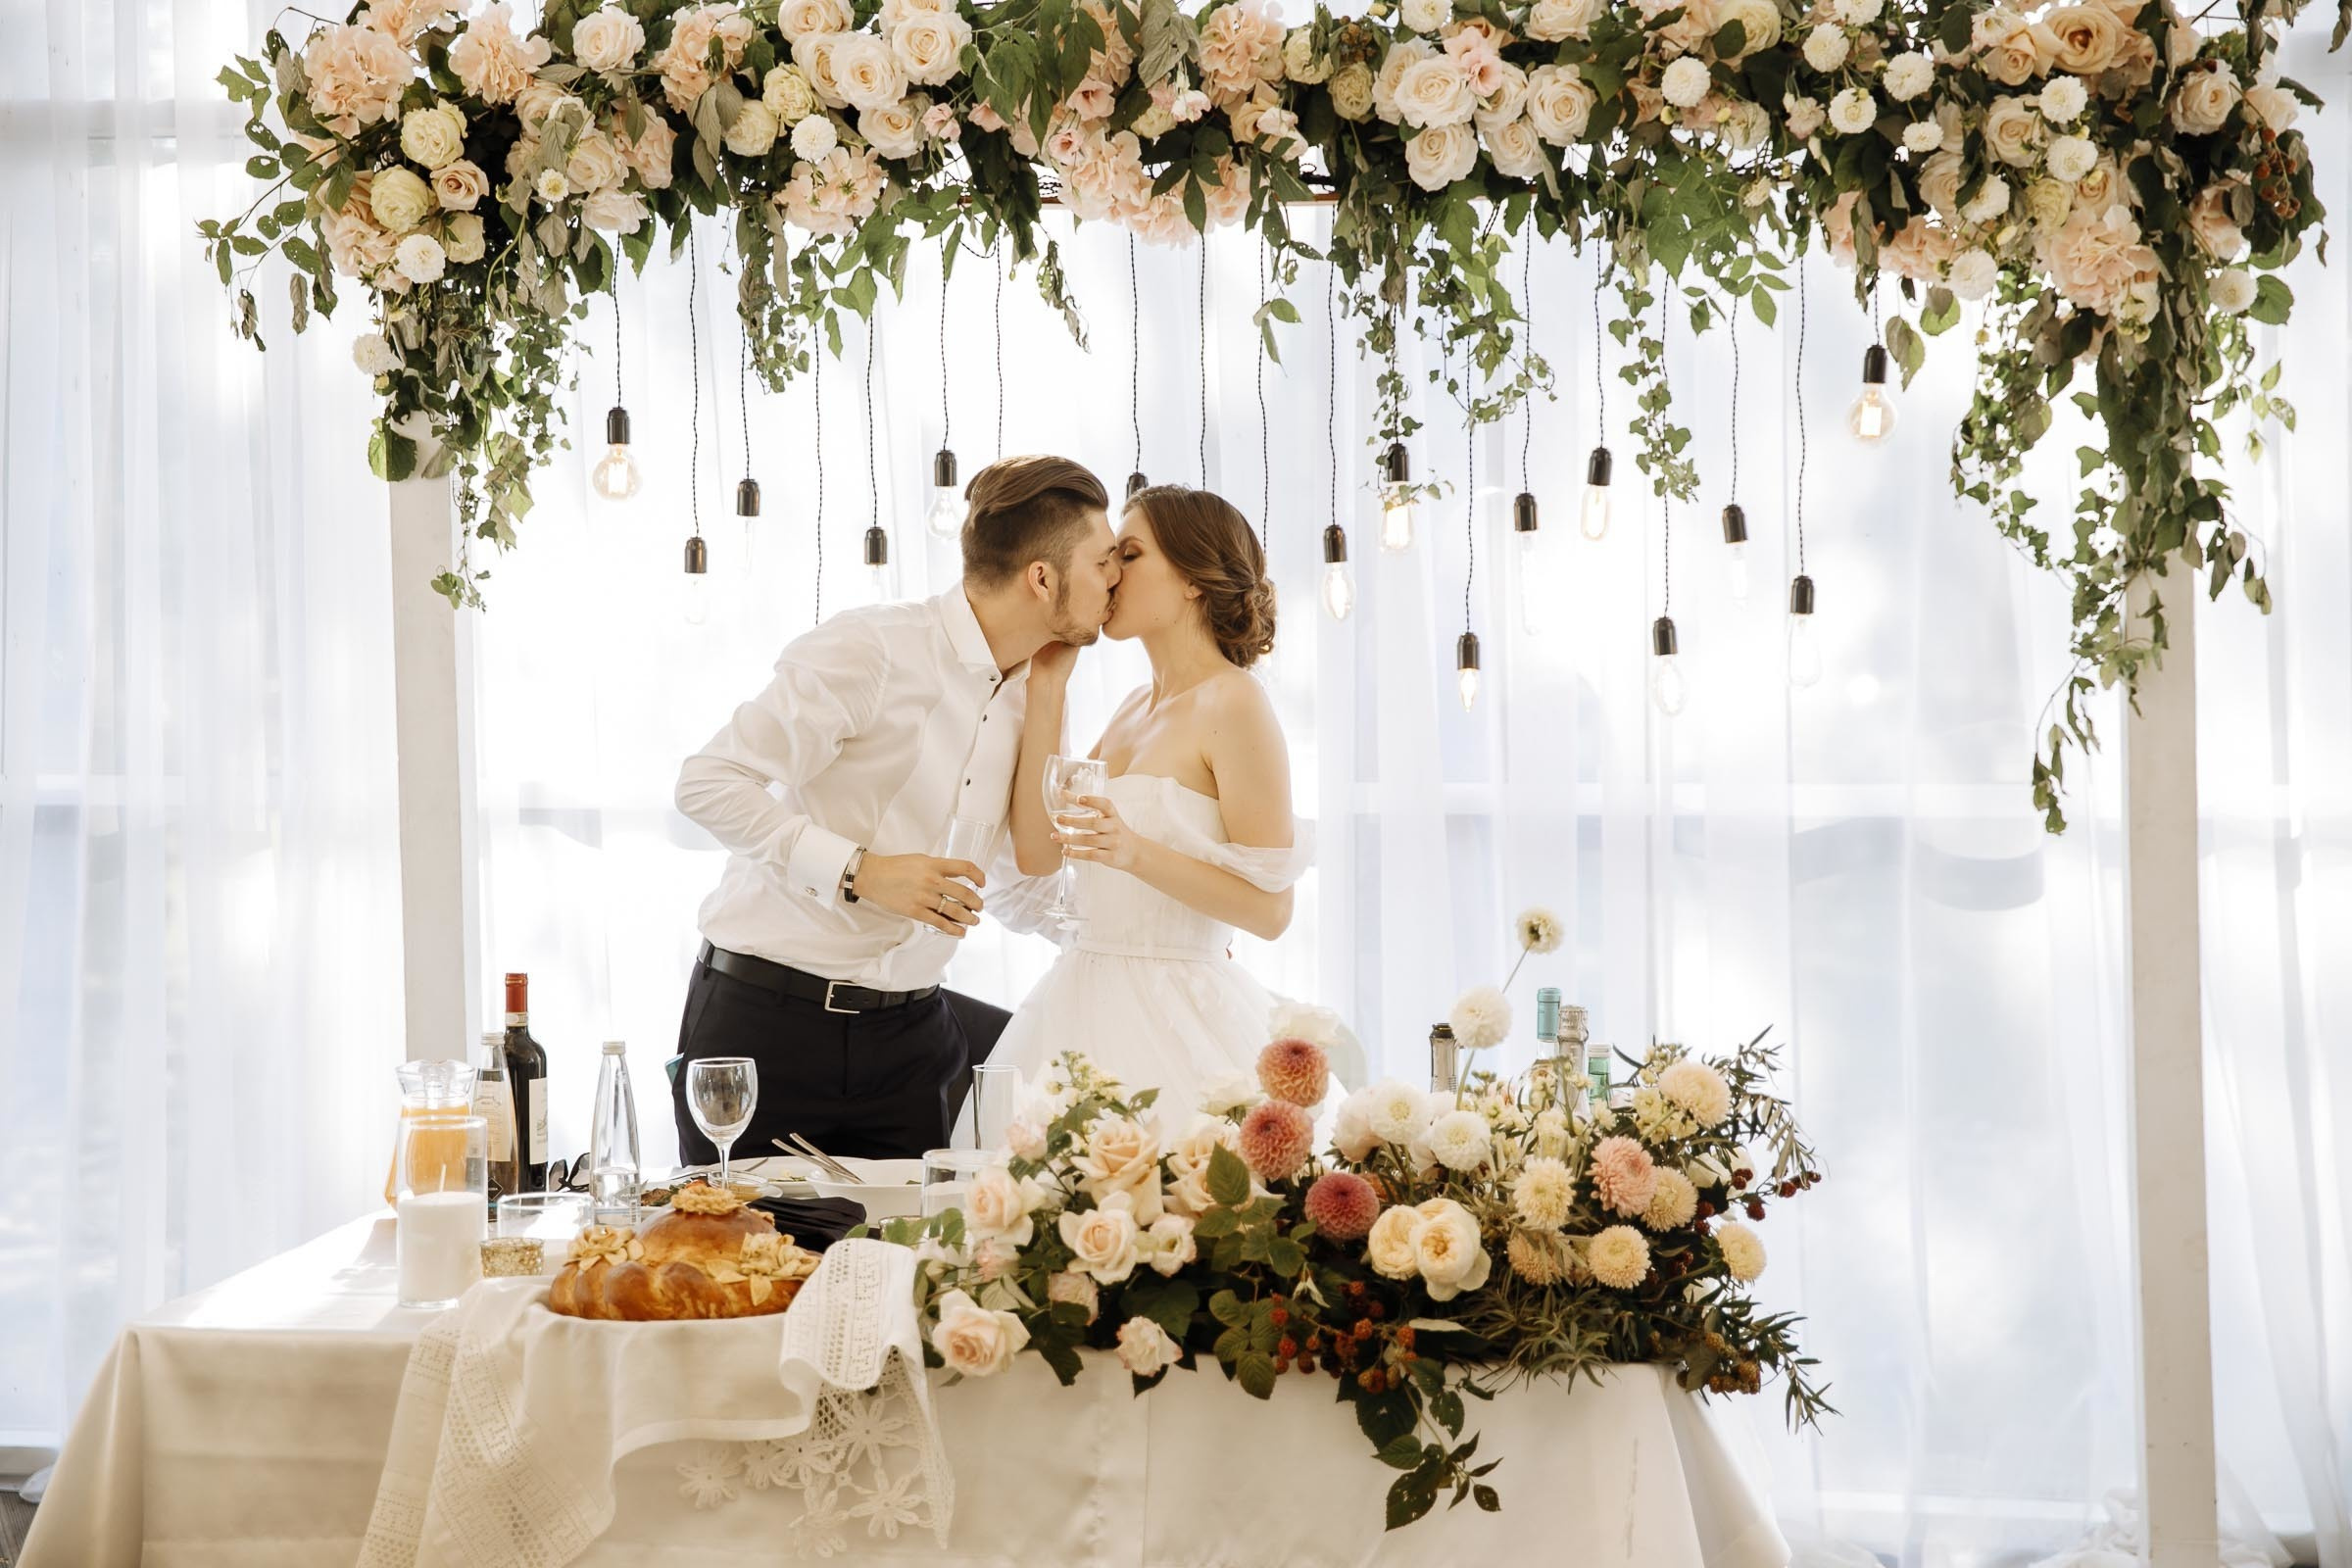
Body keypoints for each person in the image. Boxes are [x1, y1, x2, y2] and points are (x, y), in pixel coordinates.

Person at [669, 455, 1120, 1162]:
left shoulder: (1037, 691)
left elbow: (1016, 879)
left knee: (916, 1270)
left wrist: (1146, 943)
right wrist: (861, 871)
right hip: (765, 1026)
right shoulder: (874, 648)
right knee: (745, 1270)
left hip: (913, 1042)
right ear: (1042, 577)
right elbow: (708, 783)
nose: (1115, 578)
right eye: (1102, 561)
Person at [990, 484, 1322, 1114]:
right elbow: (1036, 853)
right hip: (1080, 997)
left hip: (1177, 1015)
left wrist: (1134, 852)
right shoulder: (1131, 707)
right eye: (1109, 557)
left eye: (1130, 554)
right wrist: (1049, 687)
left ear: (1194, 580)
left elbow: (1271, 912)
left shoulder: (1235, 702)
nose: (1109, 575)